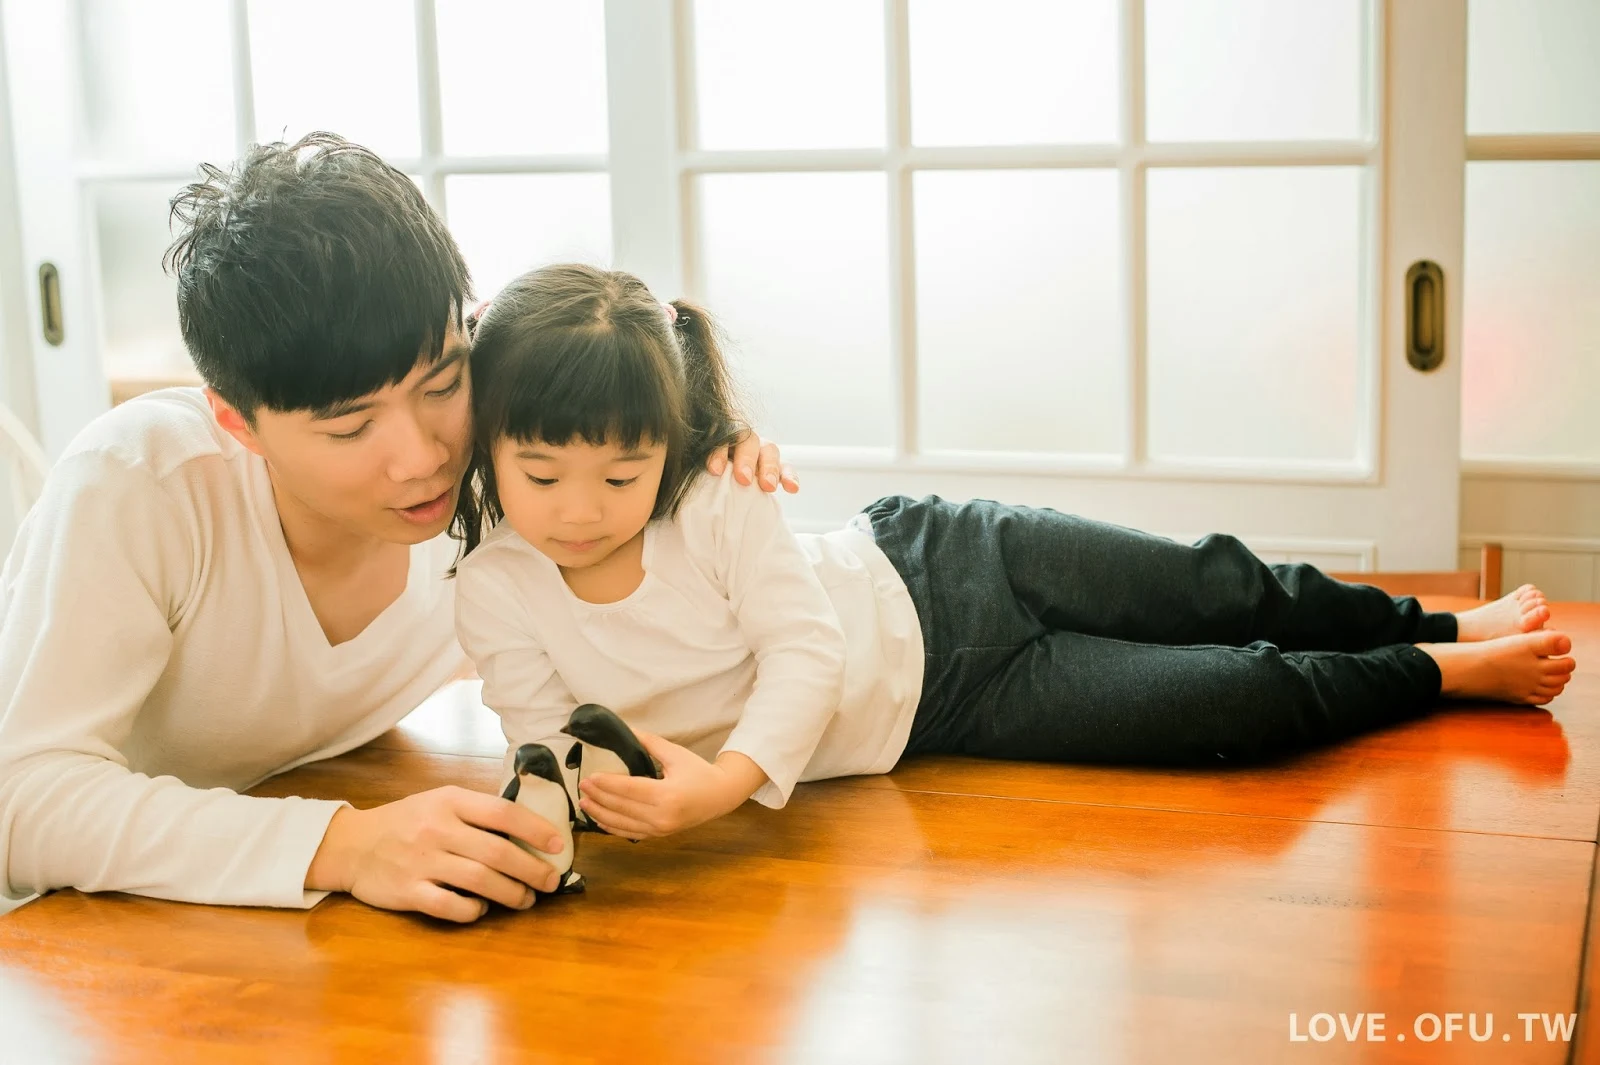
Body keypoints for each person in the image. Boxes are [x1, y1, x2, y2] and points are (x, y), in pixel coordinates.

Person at [451, 263, 1576, 844]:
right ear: (487, 446)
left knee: (1215, 583)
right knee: (1240, 703)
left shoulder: (713, 498)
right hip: (949, 706)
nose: (582, 510)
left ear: (665, 441)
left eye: (621, 475)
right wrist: (584, 807)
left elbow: (804, 654)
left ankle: (1435, 628)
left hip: (941, 561)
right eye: (541, 476)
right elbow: (547, 741)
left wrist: (727, 786)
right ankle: (1434, 674)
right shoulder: (496, 588)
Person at [0, 134, 794, 925]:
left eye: (442, 384)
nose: (424, 460)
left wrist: (706, 456)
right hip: (112, 940)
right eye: (350, 428)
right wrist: (346, 844)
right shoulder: (143, 484)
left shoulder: (514, 478)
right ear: (238, 423)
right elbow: (21, 801)